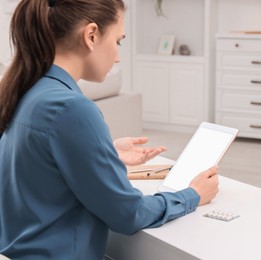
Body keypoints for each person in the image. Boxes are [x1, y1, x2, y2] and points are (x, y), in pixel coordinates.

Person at [0, 0, 219, 259]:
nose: (117, 56)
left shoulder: (23, 91)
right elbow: (128, 214)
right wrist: (192, 195)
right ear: (91, 35)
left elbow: (38, 171)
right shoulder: (70, 108)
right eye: (118, 41)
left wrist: (105, 152)